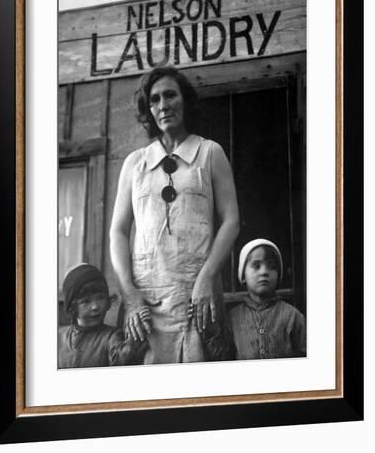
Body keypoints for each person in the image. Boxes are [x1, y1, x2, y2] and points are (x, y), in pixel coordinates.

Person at [109, 66, 239, 364]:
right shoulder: (135, 164)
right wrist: (129, 292)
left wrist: (207, 277)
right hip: (146, 304)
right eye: (154, 99)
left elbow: (231, 220)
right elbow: (118, 231)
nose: (163, 105)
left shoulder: (209, 153)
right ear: (149, 109)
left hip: (196, 298)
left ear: (185, 101)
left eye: (170, 95)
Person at [58, 263, 149, 368]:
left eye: (100, 298)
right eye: (86, 301)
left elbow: (123, 359)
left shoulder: (111, 337)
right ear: (72, 307)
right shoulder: (59, 337)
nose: (95, 306)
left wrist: (137, 334)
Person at [229, 239, 306, 360]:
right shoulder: (232, 318)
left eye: (272, 267)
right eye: (256, 266)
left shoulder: (293, 316)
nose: (264, 272)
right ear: (243, 275)